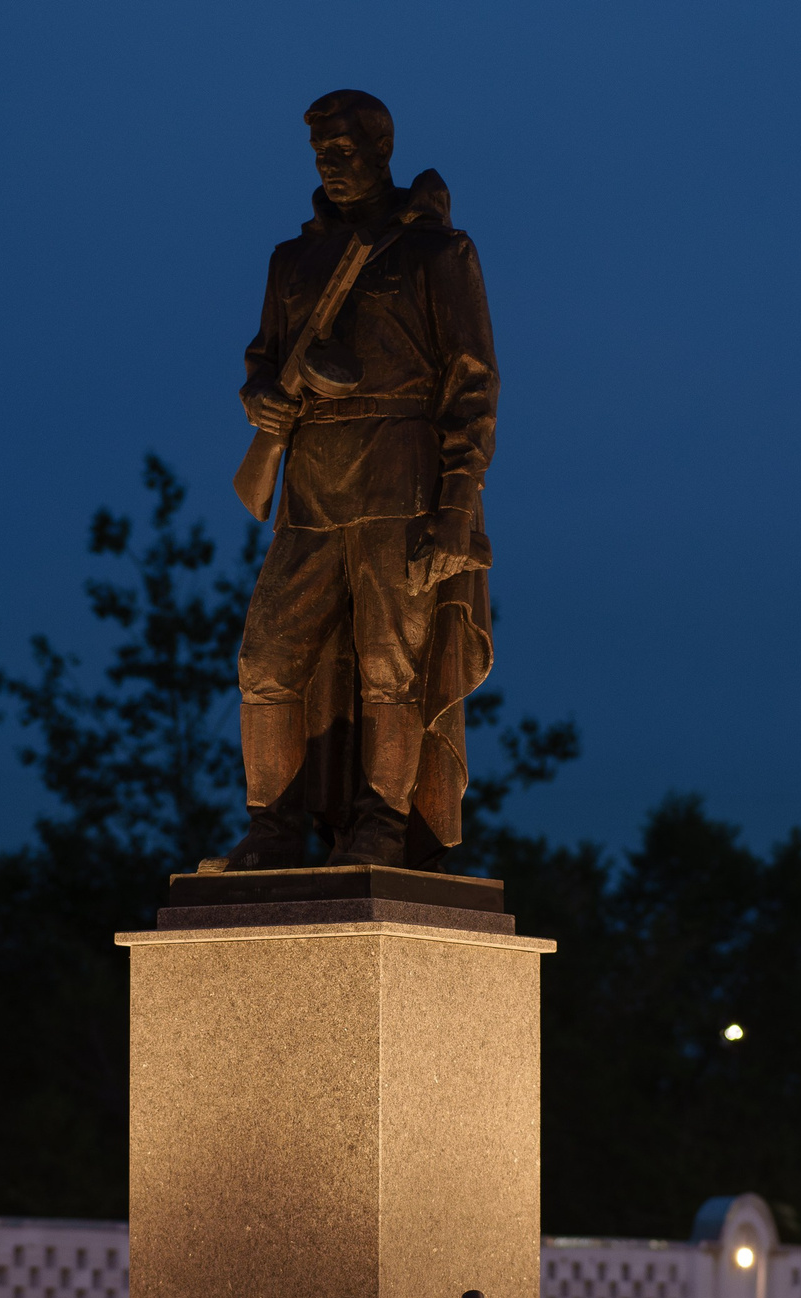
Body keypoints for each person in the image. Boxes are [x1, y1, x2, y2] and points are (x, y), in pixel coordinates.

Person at [203, 89, 498, 872]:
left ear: (381, 150)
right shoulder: (291, 261)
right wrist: (261, 396)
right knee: (265, 657)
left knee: (389, 664)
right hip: (309, 482)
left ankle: (380, 826)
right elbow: (263, 360)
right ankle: (271, 830)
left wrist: (455, 506)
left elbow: (473, 386)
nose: (330, 167)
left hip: (400, 474)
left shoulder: (437, 252)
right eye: (320, 155)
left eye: (343, 152)